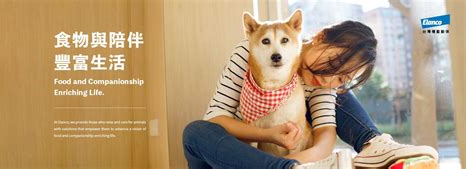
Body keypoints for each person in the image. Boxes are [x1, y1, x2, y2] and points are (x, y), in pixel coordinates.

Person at [182, 21, 438, 169]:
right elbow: (216, 118)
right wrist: (267, 135)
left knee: (339, 93)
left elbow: (325, 134)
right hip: (232, 158)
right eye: (333, 61)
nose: (329, 77)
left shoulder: (323, 85)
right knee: (195, 132)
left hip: (286, 162)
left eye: (342, 76)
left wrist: (296, 162)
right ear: (319, 37)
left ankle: (373, 145)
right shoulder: (253, 52)